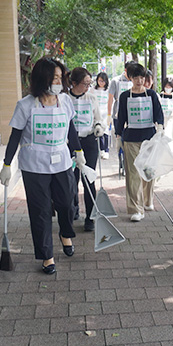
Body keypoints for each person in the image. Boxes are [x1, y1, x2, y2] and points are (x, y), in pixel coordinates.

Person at [0, 57, 90, 274]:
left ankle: (65, 234)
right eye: (54, 77)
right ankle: (47, 255)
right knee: (40, 212)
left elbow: (70, 130)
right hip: (34, 165)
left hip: (62, 161)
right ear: (42, 79)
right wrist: (7, 164)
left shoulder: (65, 101)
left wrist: (78, 152)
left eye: (60, 77)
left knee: (67, 204)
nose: (58, 82)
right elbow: (15, 137)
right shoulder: (26, 105)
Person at [115, 63, 164, 221]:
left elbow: (159, 113)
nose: (139, 80)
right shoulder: (124, 96)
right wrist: (118, 136)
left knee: (149, 171)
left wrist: (161, 128)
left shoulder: (151, 95)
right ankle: (136, 208)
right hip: (131, 138)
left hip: (149, 137)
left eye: (142, 77)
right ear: (130, 78)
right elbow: (121, 117)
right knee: (133, 173)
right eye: (136, 77)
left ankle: (148, 200)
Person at [67, 67, 105, 232]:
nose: (88, 87)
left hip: (89, 142)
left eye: (90, 83)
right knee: (70, 180)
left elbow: (98, 118)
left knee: (88, 180)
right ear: (74, 83)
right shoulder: (65, 99)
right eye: (85, 84)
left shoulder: (91, 97)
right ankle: (71, 211)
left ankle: (90, 217)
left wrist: (98, 126)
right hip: (69, 144)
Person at [94, 72, 111, 159]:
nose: (101, 83)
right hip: (97, 113)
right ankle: (101, 149)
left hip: (105, 113)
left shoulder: (108, 91)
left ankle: (106, 150)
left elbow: (110, 102)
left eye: (103, 81)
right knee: (99, 130)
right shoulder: (93, 90)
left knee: (106, 132)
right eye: (100, 81)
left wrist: (109, 114)